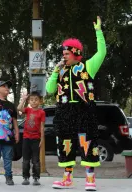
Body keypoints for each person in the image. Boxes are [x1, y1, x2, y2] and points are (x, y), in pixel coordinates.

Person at [46, 16, 106, 191]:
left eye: (66, 53)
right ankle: (67, 179)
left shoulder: (87, 66)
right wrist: (55, 71)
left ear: (75, 53)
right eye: (62, 54)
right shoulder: (60, 71)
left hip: (84, 110)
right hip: (64, 111)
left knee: (87, 141)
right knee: (65, 143)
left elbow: (101, 53)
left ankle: (90, 179)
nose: (63, 56)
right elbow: (50, 89)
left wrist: (98, 32)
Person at [17, 91, 45, 186]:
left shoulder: (41, 112)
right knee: (25, 160)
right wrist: (24, 99)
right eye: (31, 100)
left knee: (36, 160)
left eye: (36, 100)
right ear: (29, 101)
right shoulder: (28, 110)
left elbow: (42, 127)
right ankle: (25, 177)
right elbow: (19, 108)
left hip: (36, 139)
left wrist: (42, 139)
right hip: (26, 138)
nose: (34, 101)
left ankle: (36, 178)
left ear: (40, 101)